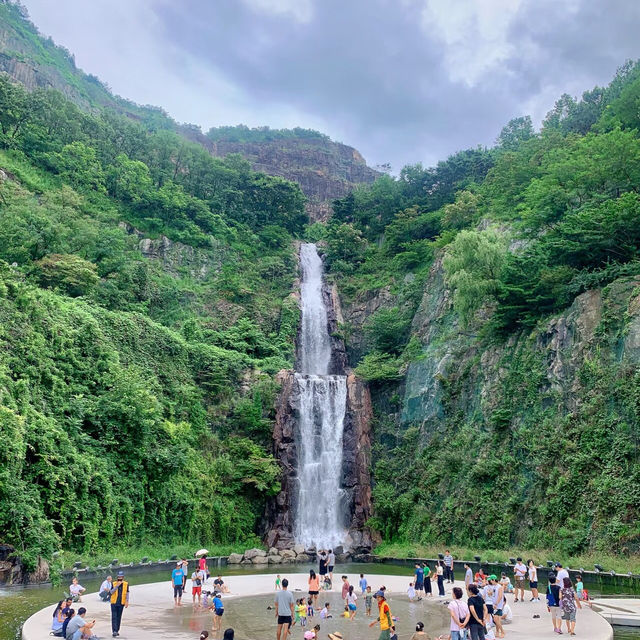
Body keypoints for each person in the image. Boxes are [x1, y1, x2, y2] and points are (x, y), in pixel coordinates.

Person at [109, 570, 129, 638]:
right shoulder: (114, 583)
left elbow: (127, 593)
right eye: (119, 577)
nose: (120, 578)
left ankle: (117, 630)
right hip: (114, 603)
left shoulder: (126, 584)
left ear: (123, 577)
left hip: (121, 603)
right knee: (114, 617)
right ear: (117, 577)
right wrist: (117, 586)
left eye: (121, 577)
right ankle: (114, 631)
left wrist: (127, 601)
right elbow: (111, 592)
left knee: (119, 617)